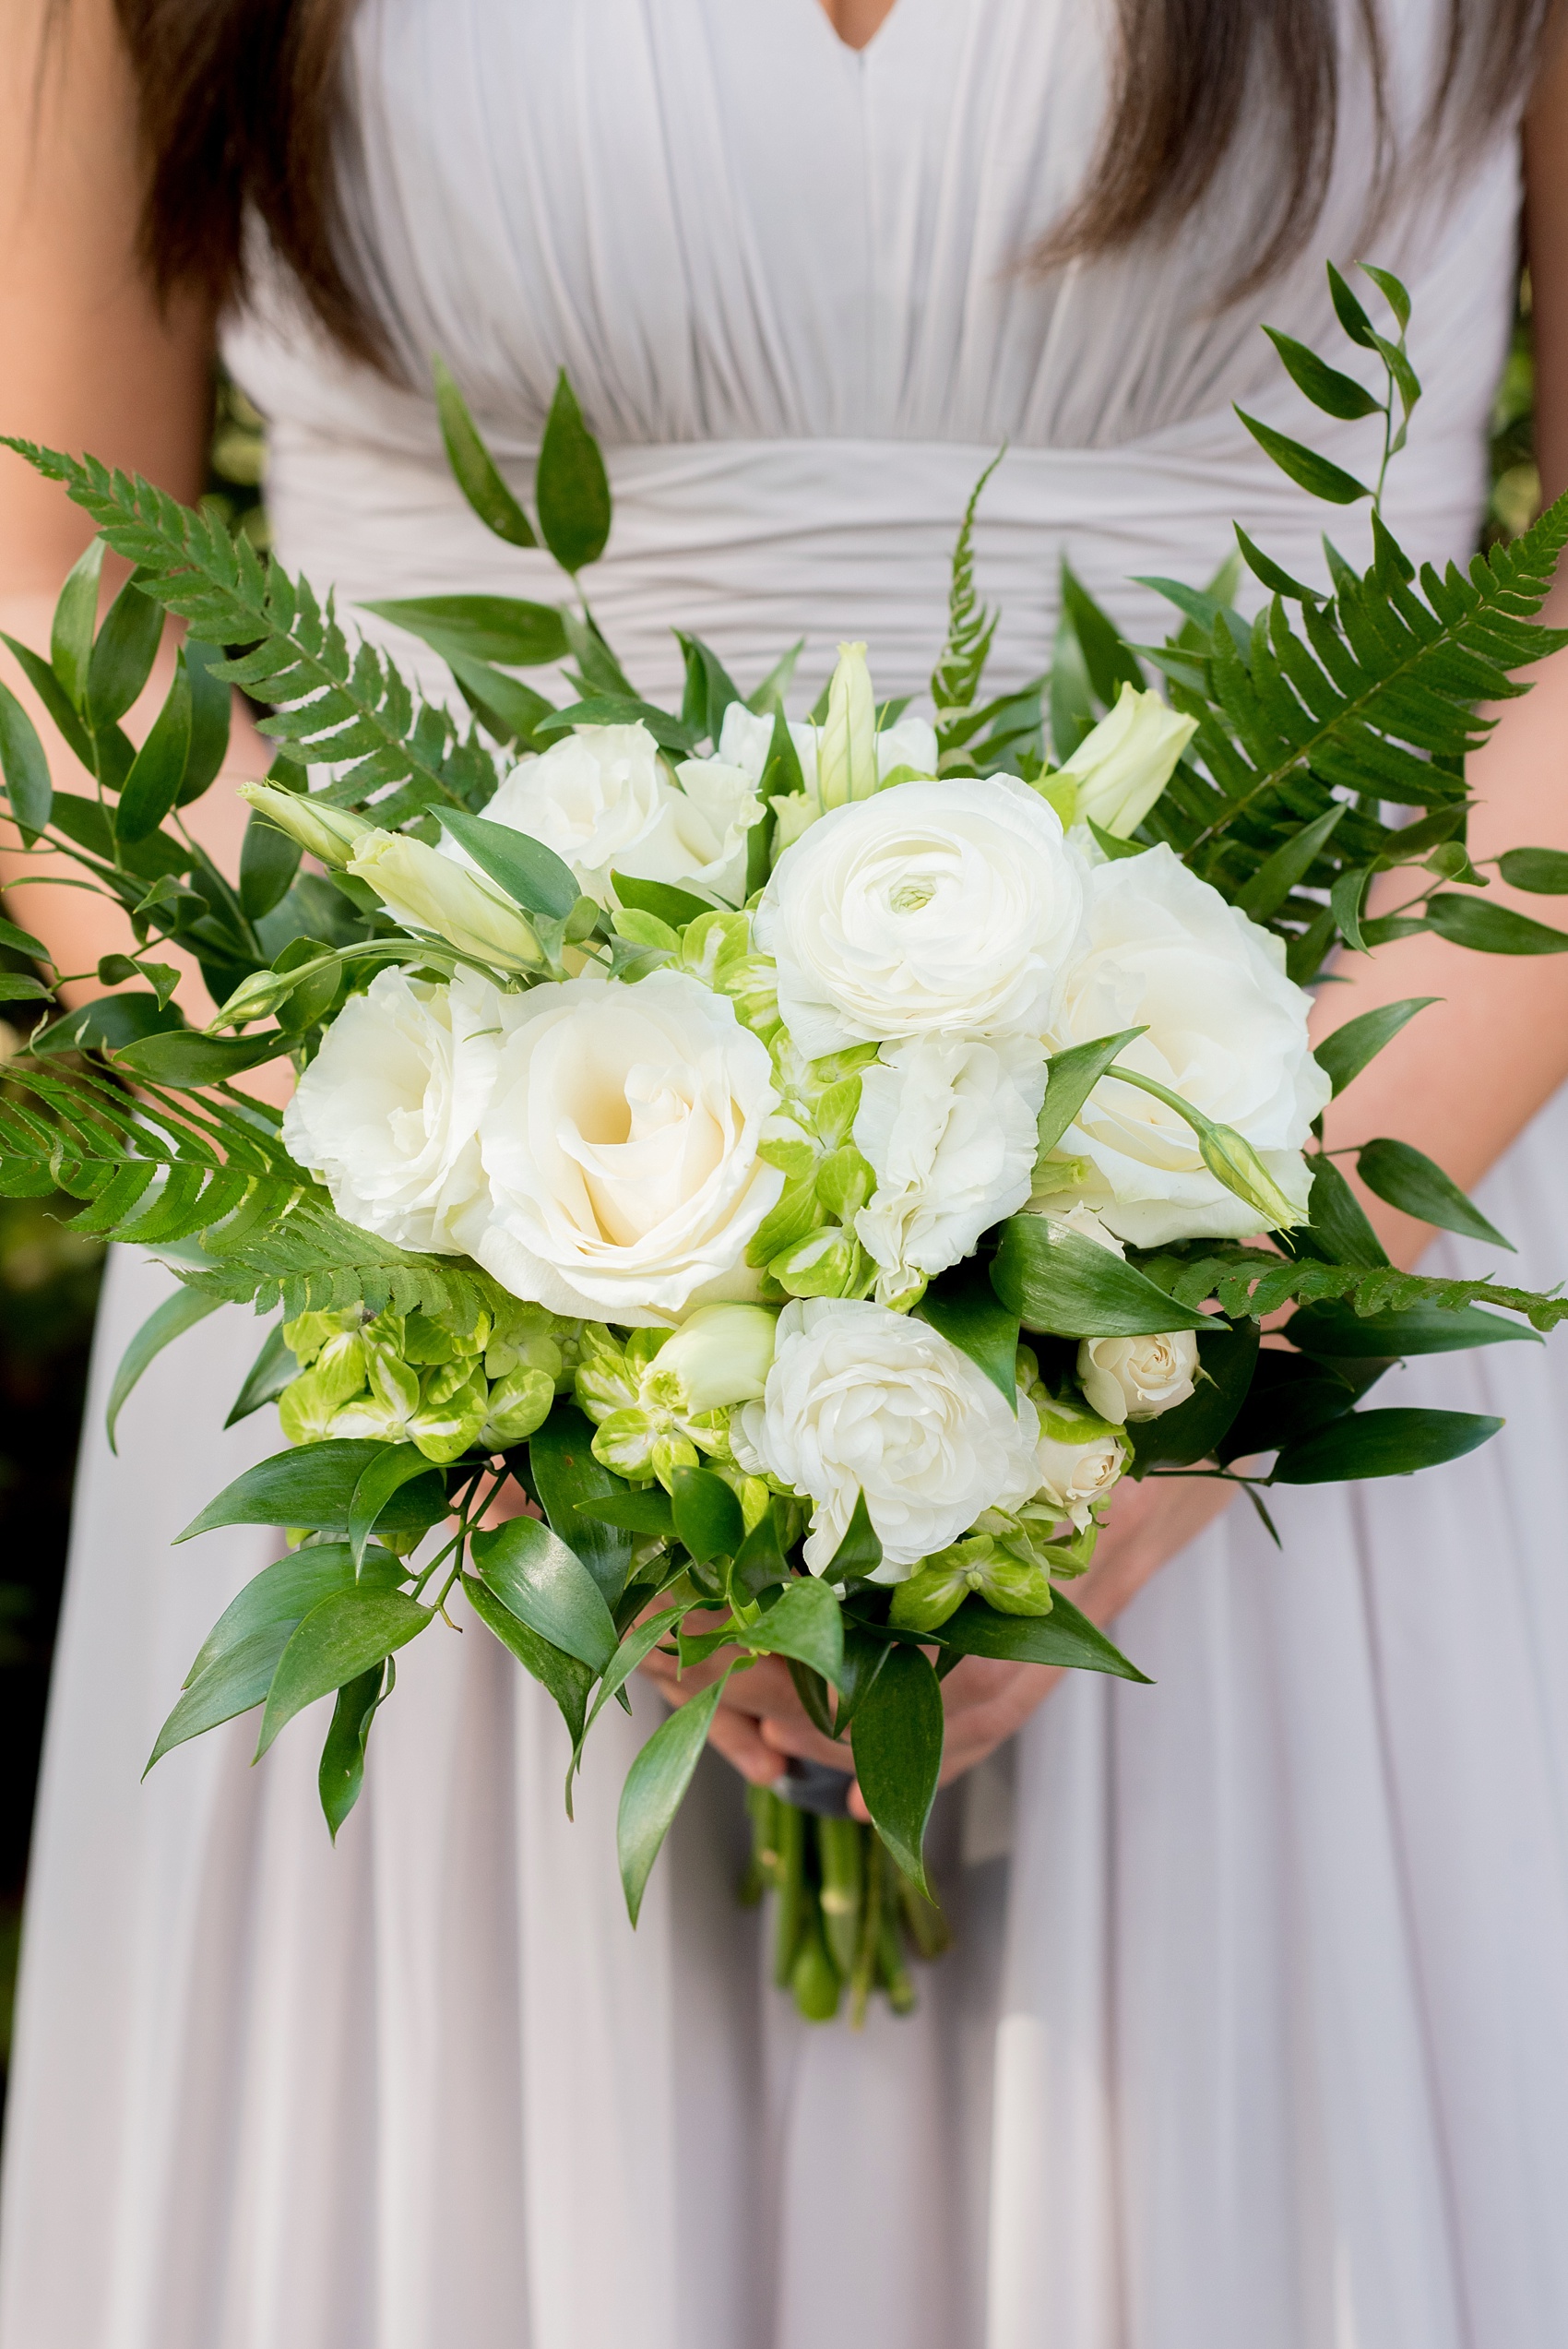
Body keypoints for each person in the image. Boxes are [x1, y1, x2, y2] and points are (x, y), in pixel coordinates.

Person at [2, 1, 1567, 2342]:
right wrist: (470, 1273)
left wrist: (1219, 1312)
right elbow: (44, 576)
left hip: (1302, 1299)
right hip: (453, 1428)